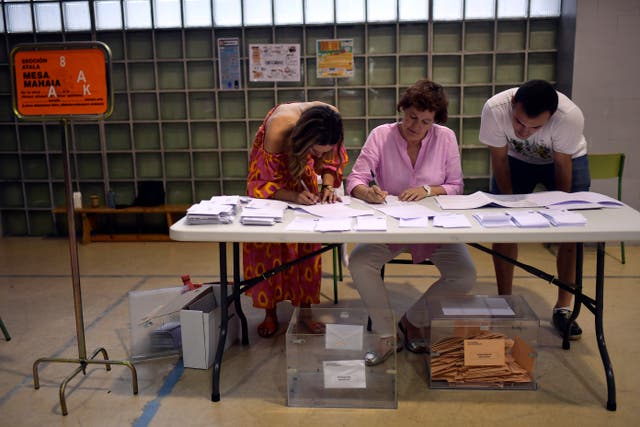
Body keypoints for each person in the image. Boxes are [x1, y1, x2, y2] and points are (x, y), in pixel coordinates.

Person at [347, 79, 477, 365]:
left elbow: (456, 185)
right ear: (402, 109)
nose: (415, 126)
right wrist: (366, 191)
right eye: (411, 117)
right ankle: (386, 335)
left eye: (425, 121)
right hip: (391, 226)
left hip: (433, 228)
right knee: (359, 261)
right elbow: (355, 179)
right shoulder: (381, 134)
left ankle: (413, 322)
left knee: (465, 275)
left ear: (435, 121)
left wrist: (429, 190)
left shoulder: (445, 138)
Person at [478, 79, 590, 340]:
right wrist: (507, 203)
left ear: (551, 117)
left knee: (571, 232)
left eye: (535, 126)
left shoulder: (569, 116)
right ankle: (504, 301)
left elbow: (562, 165)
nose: (524, 131)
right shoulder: (495, 109)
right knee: (504, 229)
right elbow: (499, 158)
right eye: (518, 122)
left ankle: (564, 307)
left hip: (566, 159)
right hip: (516, 161)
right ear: (513, 103)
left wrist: (561, 210)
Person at [243, 102, 348, 338]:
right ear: (304, 141)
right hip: (272, 188)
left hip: (302, 183)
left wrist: (328, 185)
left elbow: (332, 160)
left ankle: (306, 312)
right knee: (269, 247)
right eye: (316, 152)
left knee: (306, 245)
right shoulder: (279, 129)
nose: (320, 157)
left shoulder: (331, 122)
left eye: (323, 151)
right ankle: (269, 313)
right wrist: (293, 196)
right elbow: (261, 184)